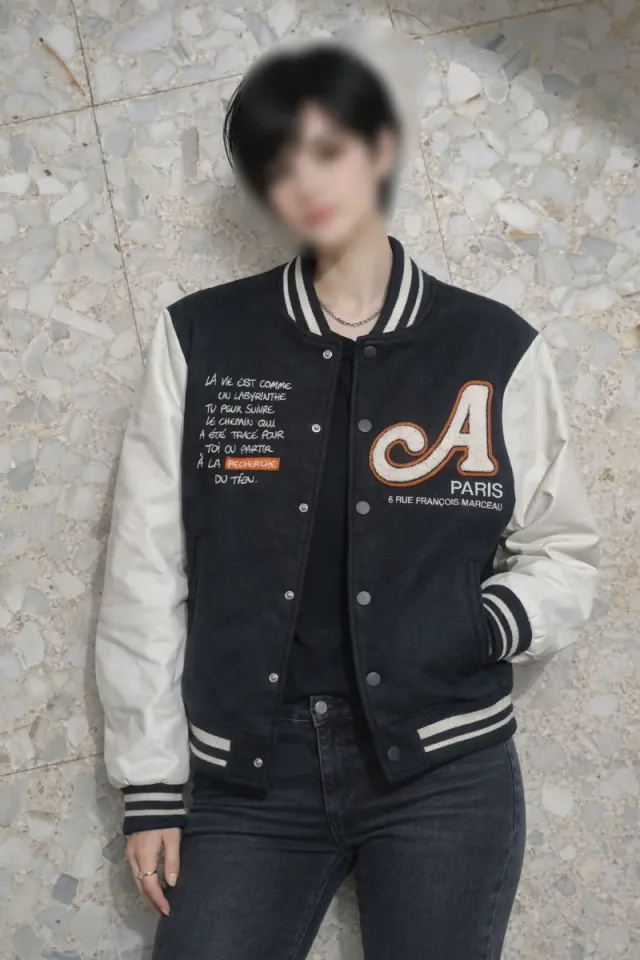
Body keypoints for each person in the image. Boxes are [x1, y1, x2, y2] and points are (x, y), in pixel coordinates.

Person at [94, 40, 601, 960]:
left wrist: (476, 627)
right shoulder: (203, 339)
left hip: (446, 770)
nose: (306, 184)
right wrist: (151, 784)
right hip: (252, 773)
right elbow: (145, 565)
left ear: (377, 149)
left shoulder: (492, 348)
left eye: (326, 151)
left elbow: (564, 553)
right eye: (278, 166)